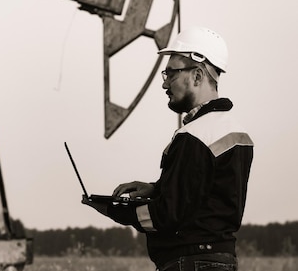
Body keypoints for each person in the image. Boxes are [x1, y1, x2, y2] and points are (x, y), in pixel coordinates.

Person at [84, 26, 254, 270]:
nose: (165, 84)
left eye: (171, 74)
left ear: (197, 75)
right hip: (220, 260)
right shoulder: (235, 132)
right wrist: (156, 188)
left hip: (190, 262)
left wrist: (113, 209)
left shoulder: (195, 136)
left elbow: (166, 215)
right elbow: (204, 196)